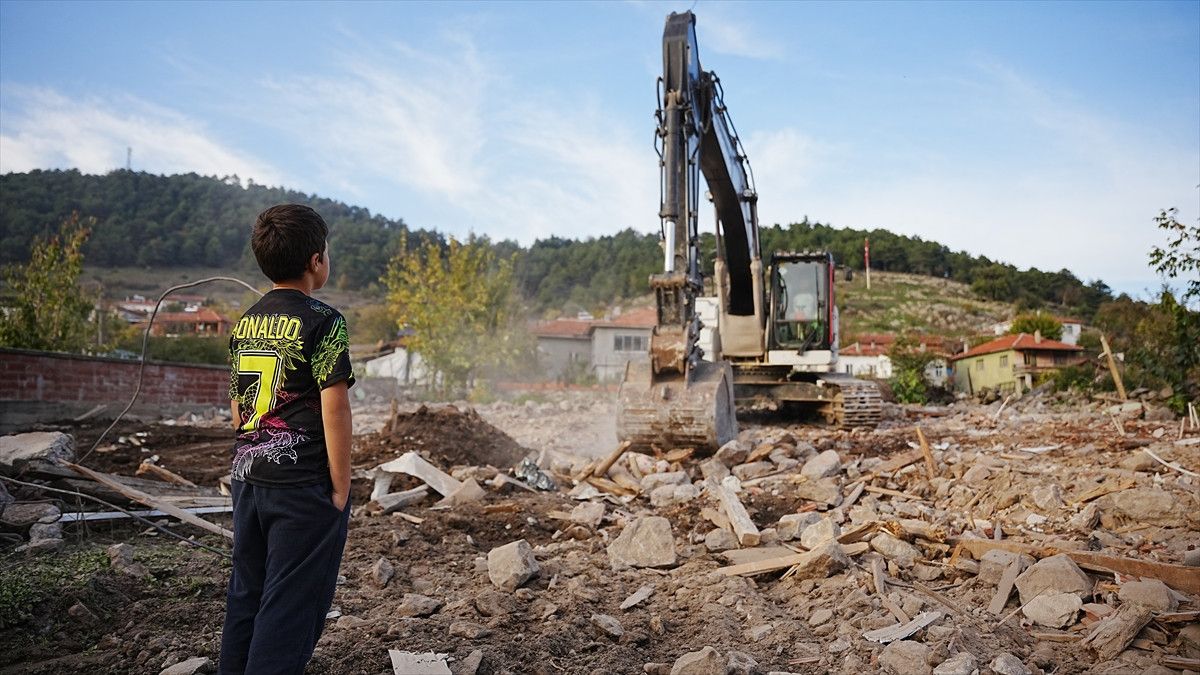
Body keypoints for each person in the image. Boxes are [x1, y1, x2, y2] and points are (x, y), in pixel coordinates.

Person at [220, 204, 355, 674]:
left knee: (247, 593)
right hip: (302, 487)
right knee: (291, 605)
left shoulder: (245, 323)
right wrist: (340, 487)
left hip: (248, 477)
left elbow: (238, 402)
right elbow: (333, 406)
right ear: (316, 260)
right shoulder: (323, 320)